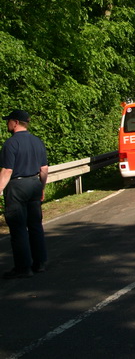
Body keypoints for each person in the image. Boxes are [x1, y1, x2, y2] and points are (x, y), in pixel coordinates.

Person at [0, 109, 48, 279]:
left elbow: (7, 170)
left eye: (8, 121)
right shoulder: (37, 141)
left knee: (18, 227)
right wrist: (41, 187)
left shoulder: (11, 144)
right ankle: (39, 263)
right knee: (35, 225)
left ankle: (23, 267)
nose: (7, 124)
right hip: (34, 184)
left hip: (17, 186)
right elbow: (44, 169)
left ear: (15, 122)